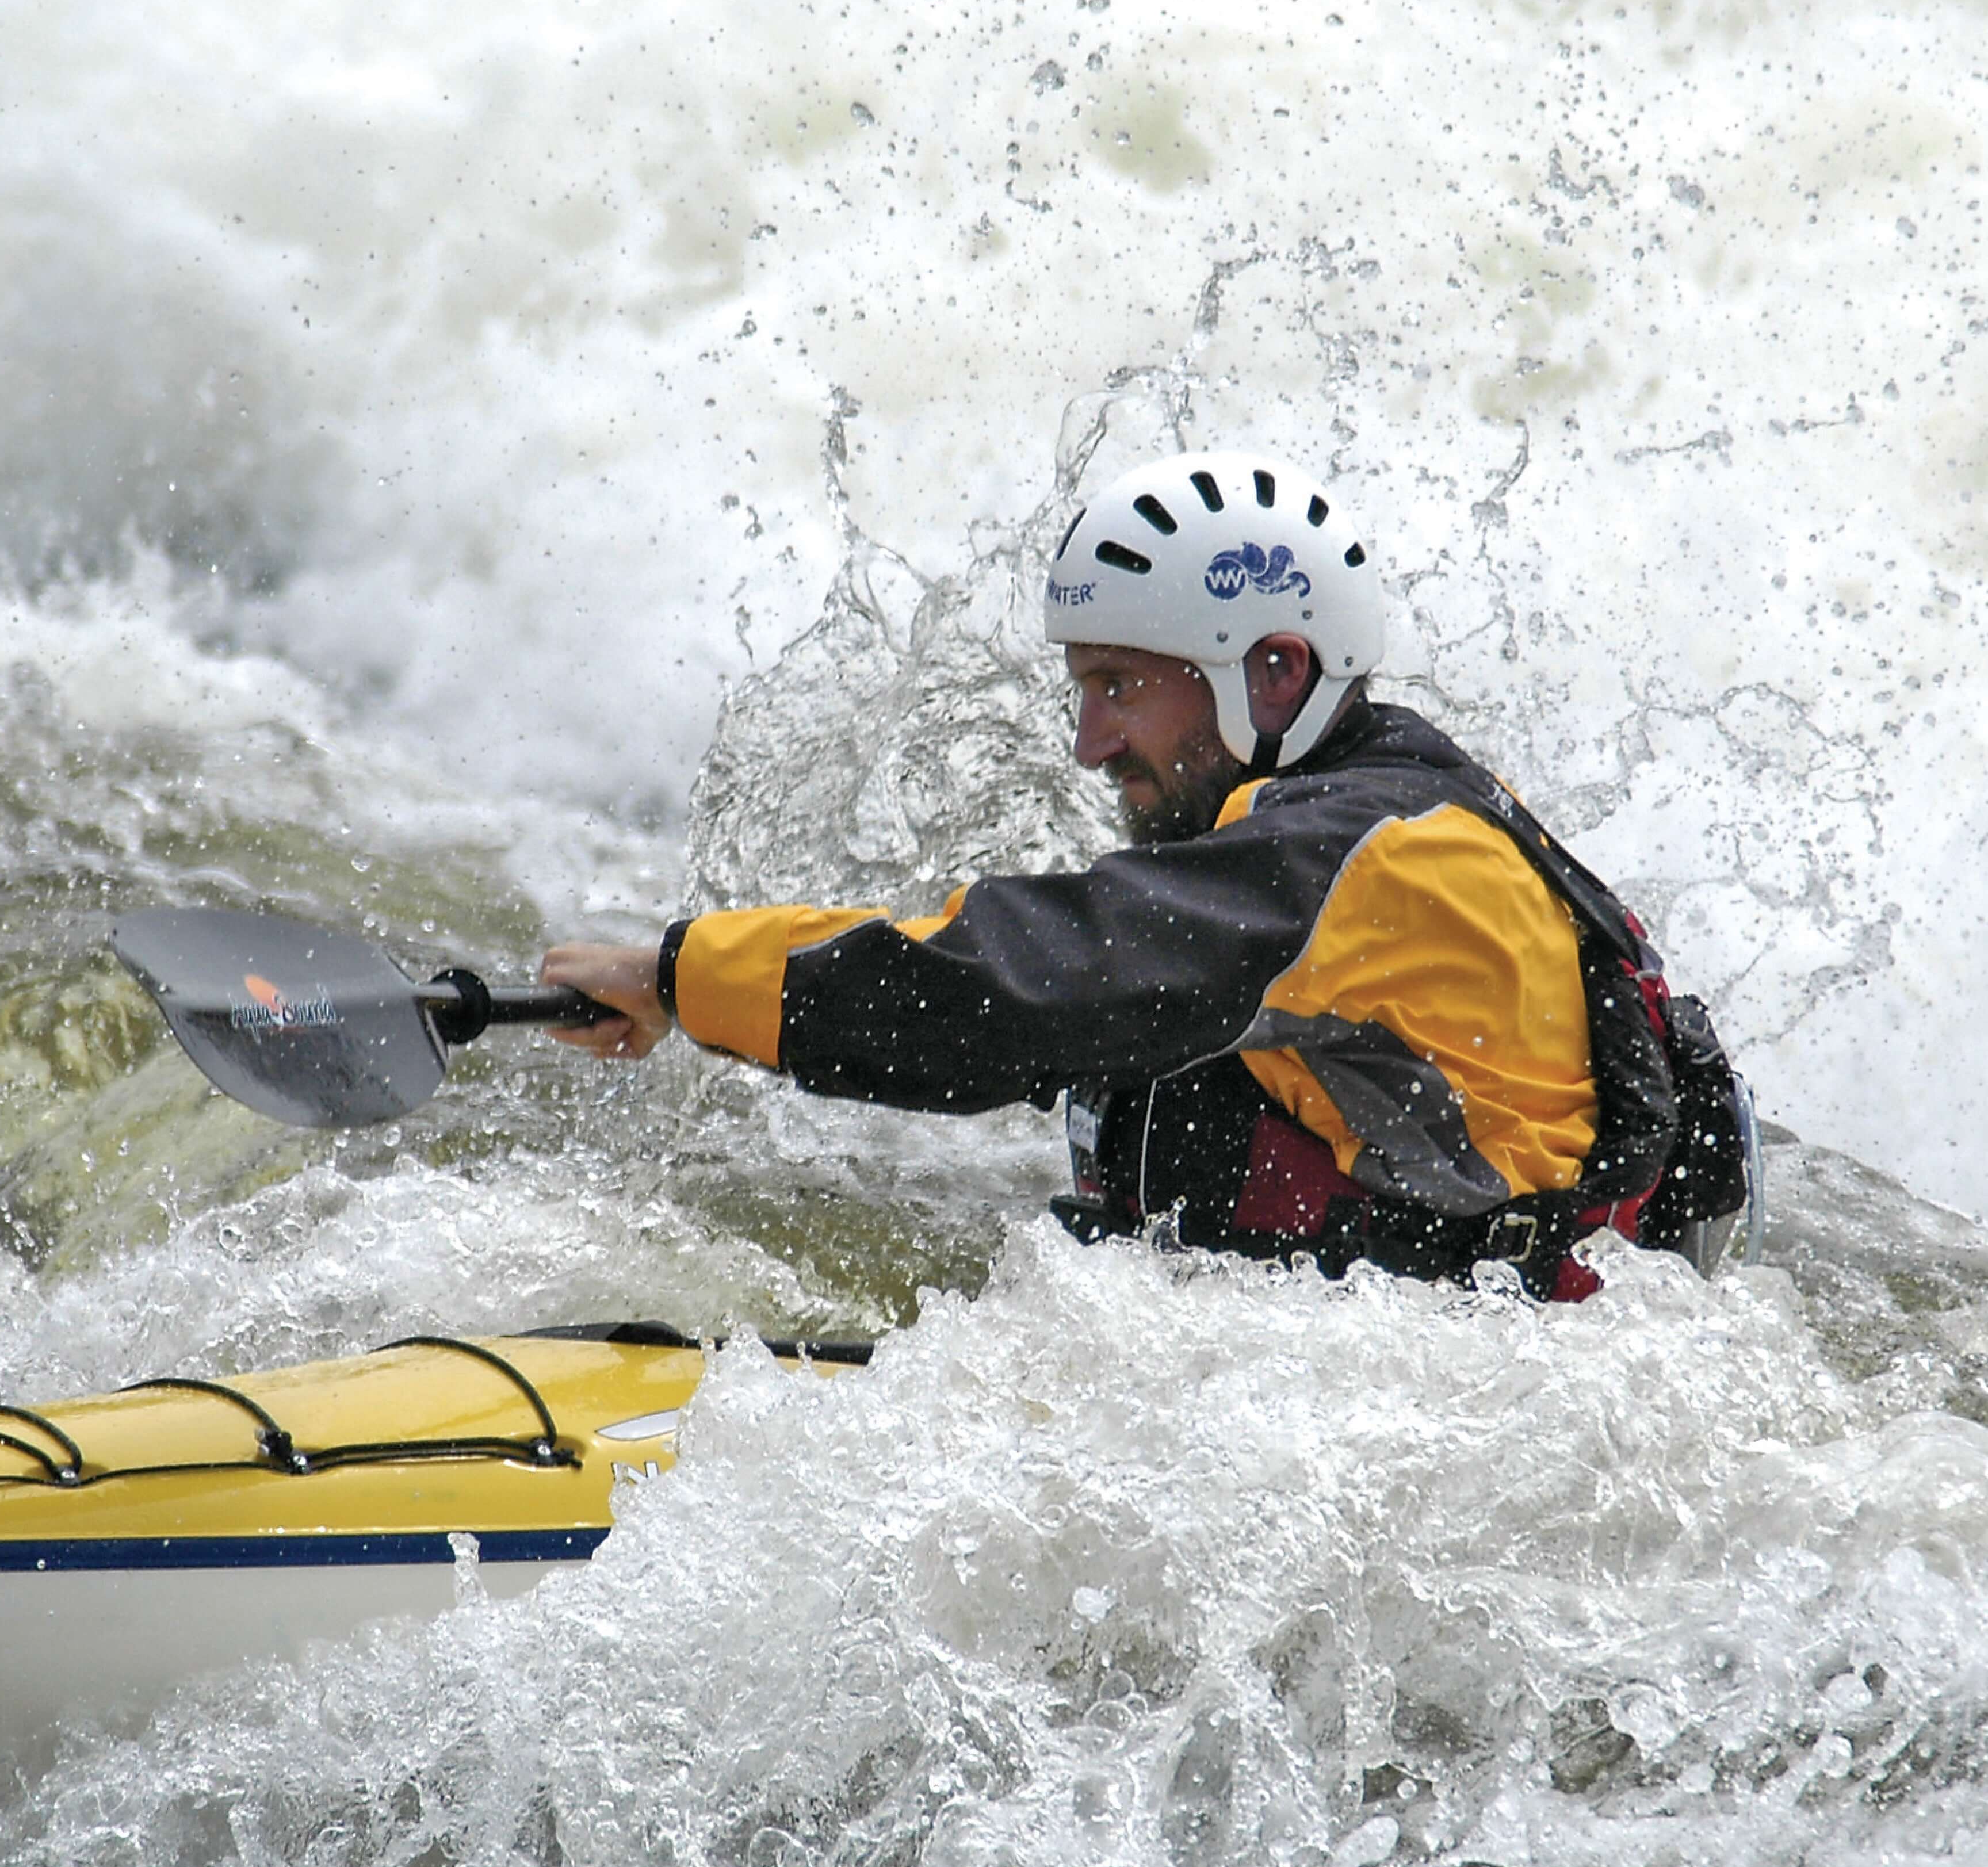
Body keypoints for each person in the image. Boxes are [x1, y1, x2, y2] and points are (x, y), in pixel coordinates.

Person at [540, 448, 1740, 1300]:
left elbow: (1014, 986)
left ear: (1273, 671)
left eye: (1120, 684)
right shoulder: (1390, 801)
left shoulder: (1374, 858)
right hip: (1451, 1345)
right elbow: (1056, 945)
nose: (1088, 740)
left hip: (1462, 1394)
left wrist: (680, 972)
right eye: (1082, 687)